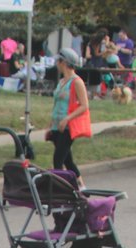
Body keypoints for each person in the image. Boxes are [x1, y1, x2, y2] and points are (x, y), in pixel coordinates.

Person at [50, 47, 91, 188]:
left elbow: (84, 105)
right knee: (68, 161)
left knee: (58, 160)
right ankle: (81, 187)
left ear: (64, 62)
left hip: (68, 127)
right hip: (57, 127)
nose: (57, 63)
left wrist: (67, 118)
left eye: (58, 60)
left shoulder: (76, 82)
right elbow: (56, 104)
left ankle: (61, 190)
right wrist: (51, 125)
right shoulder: (61, 82)